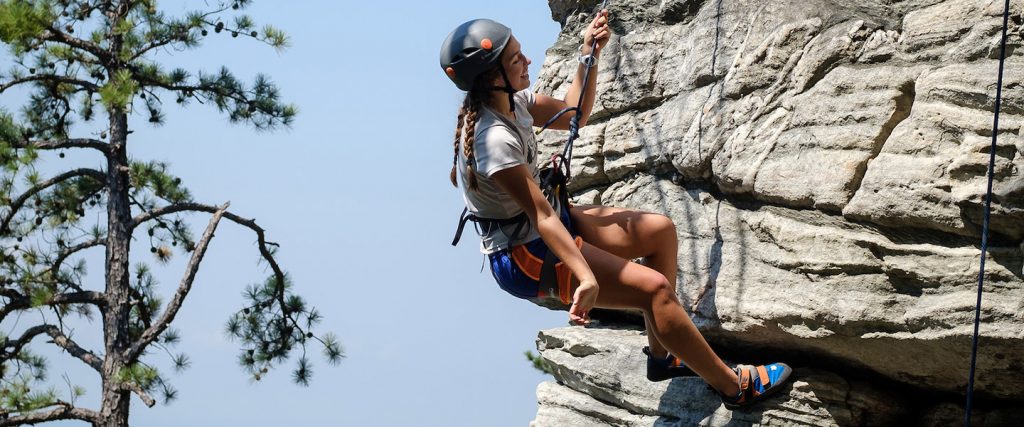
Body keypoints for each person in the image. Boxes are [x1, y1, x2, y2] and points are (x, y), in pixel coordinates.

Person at [440, 11, 793, 408]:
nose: (527, 62)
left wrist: (589, 53)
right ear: (492, 78)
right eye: (516, 59)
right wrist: (584, 276)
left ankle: (663, 356)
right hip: (527, 254)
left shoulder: (515, 102)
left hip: (550, 226)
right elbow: (540, 216)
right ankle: (735, 388)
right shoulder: (494, 141)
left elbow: (575, 114)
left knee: (660, 231)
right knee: (654, 291)